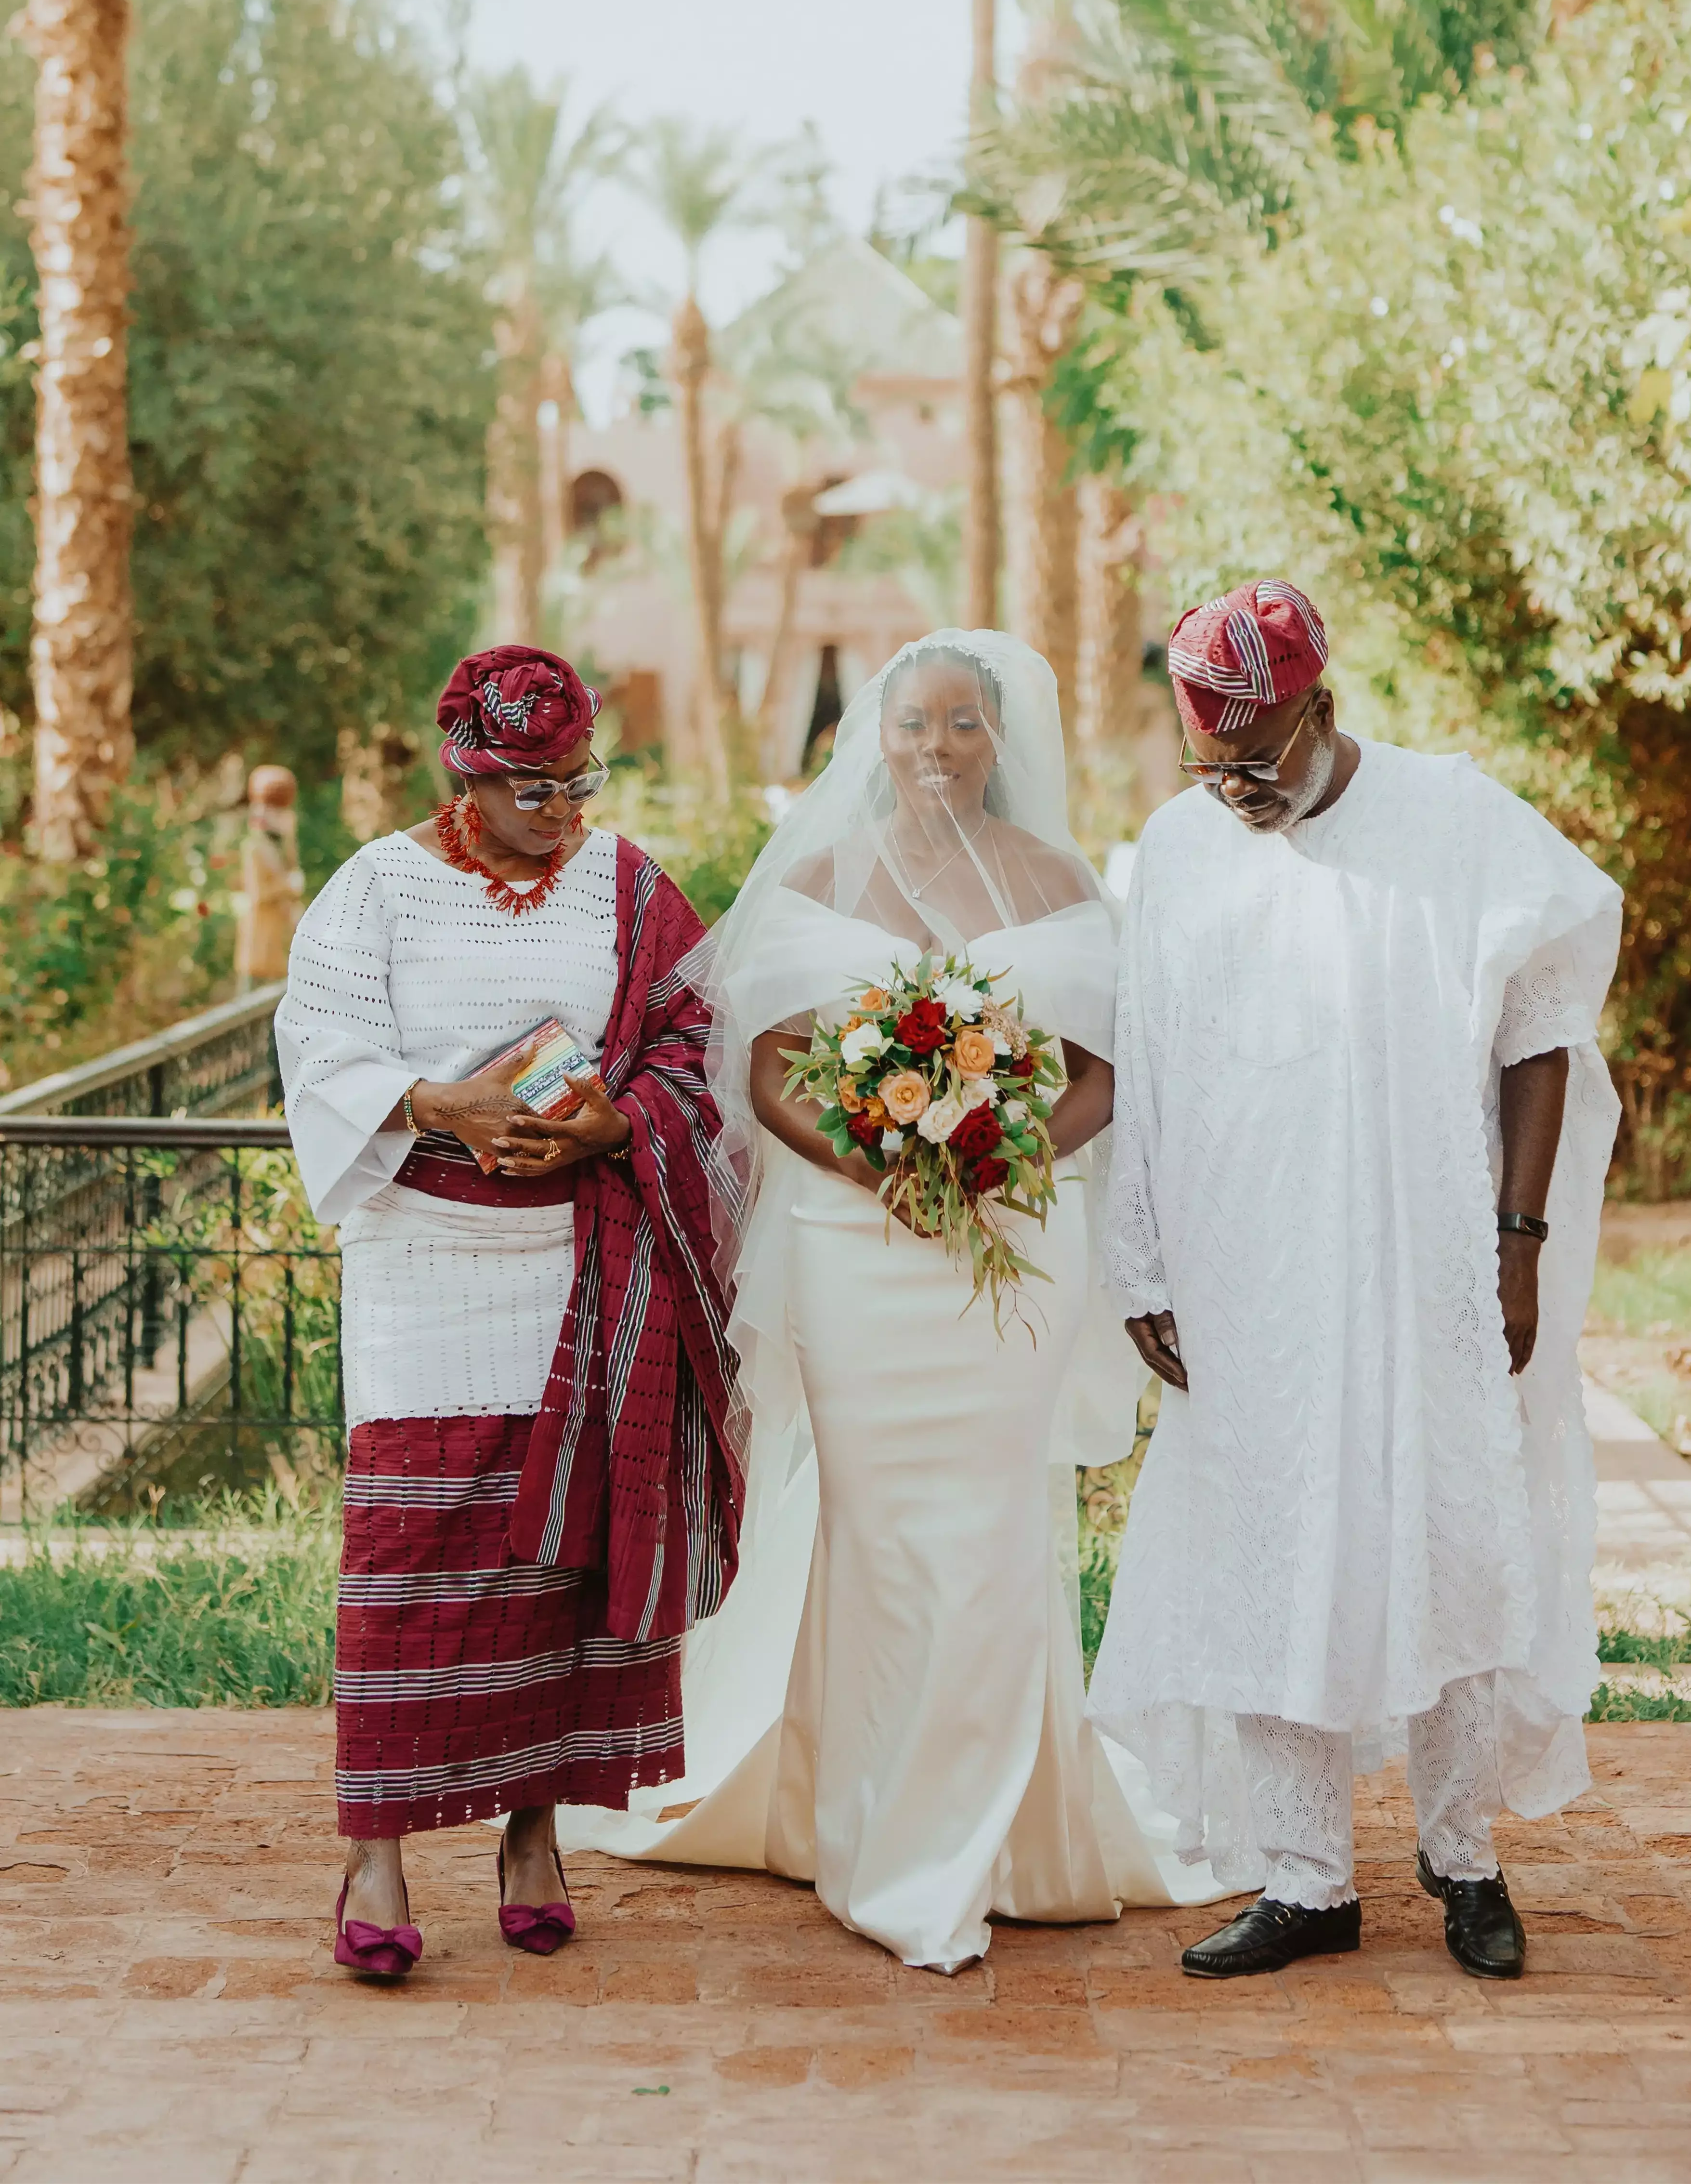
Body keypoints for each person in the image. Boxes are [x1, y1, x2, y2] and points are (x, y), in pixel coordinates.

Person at [570, 632, 1224, 1970]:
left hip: (1013, 1252)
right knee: (882, 1537)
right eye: (914, 721)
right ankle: (876, 1827)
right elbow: (770, 1071)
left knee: (991, 1533)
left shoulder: (1060, 879)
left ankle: (993, 1841)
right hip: (858, 1253)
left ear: (1003, 738)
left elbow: (1106, 1066)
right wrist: (888, 1165)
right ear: (877, 732)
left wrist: (1005, 1156)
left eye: (965, 724)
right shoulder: (818, 872)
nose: (937, 745)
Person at [1098, 578, 1622, 1983]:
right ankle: (1302, 1876)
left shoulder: (1450, 816)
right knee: (1269, 1546)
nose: (1234, 789)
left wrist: (1515, 1241)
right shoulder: (1174, 848)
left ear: (1321, 707)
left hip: (1429, 1253)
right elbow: (1141, 1062)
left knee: (1444, 1530)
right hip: (1243, 1266)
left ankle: (1463, 1858)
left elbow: (1539, 1024)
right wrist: (1139, 1255)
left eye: (1256, 757)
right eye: (1207, 763)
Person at [276, 646, 743, 1981]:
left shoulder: (632, 882)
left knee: (560, 1564)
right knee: (410, 1557)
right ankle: (378, 1847)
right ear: (460, 773)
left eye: (573, 778)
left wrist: (616, 1119)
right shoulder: (374, 887)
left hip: (580, 1262)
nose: (556, 806)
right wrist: (443, 1102)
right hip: (423, 1264)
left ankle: (533, 1833)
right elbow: (323, 1048)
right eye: (524, 784)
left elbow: (689, 1042)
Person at [236, 764, 303, 989]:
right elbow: (257, 895)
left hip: (280, 949)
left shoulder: (279, 846)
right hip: (259, 947)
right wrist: (288, 887)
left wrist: (289, 838)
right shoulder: (254, 847)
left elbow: (291, 873)